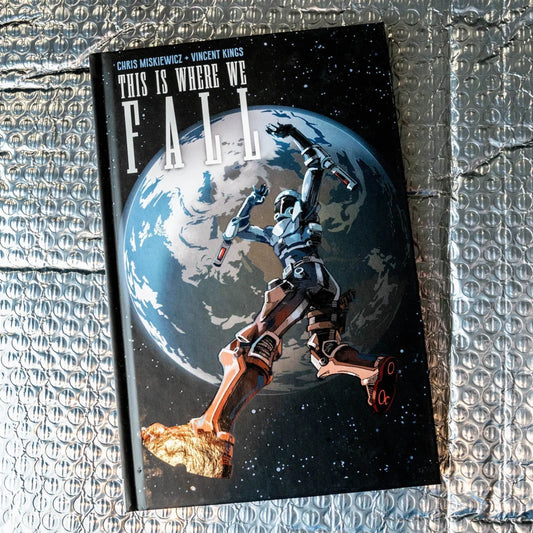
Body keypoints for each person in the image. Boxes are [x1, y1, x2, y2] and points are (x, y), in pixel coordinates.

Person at [141, 123, 398, 478]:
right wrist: (250, 201)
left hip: (303, 278)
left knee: (253, 343)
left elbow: (313, 165)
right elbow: (238, 229)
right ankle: (372, 370)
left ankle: (215, 430)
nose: (281, 208)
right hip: (324, 286)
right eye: (280, 205)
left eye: (283, 204)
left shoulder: (297, 217)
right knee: (323, 354)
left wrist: (294, 134)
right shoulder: (277, 231)